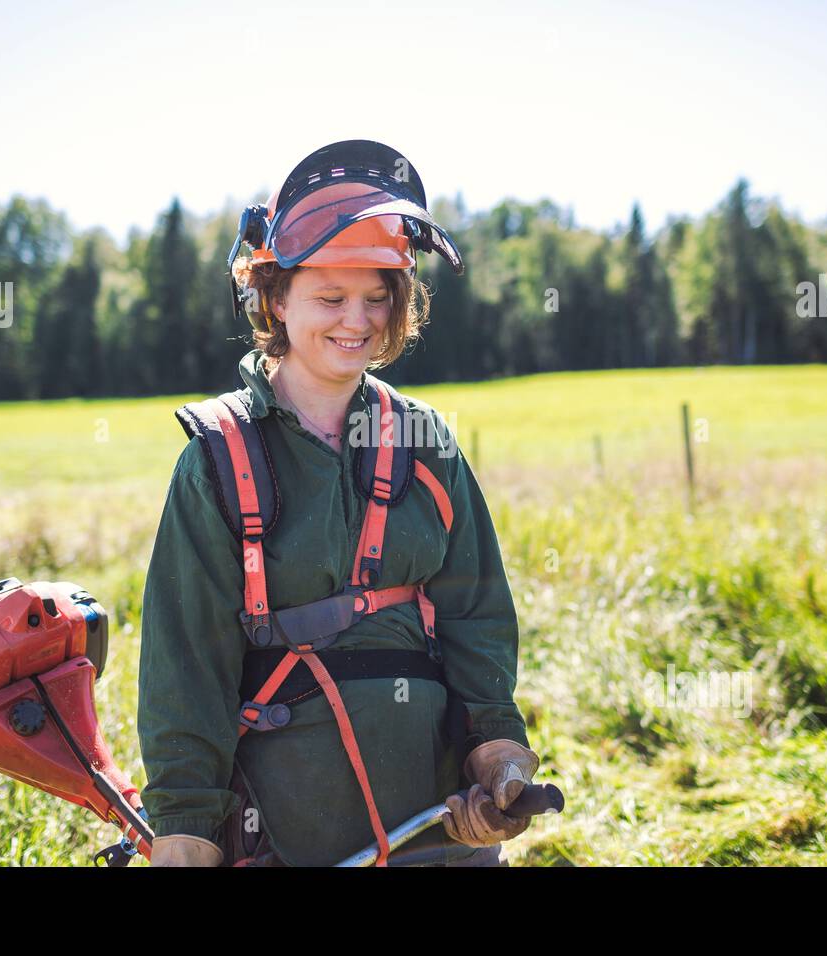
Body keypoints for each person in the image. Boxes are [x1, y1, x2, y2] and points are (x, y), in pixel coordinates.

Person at [137, 140, 540, 866]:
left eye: (377, 296)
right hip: (287, 832)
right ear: (275, 296)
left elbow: (476, 617)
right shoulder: (217, 459)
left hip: (437, 826)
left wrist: (496, 760)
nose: (358, 320)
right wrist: (186, 833)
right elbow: (185, 670)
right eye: (331, 297)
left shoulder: (426, 442)